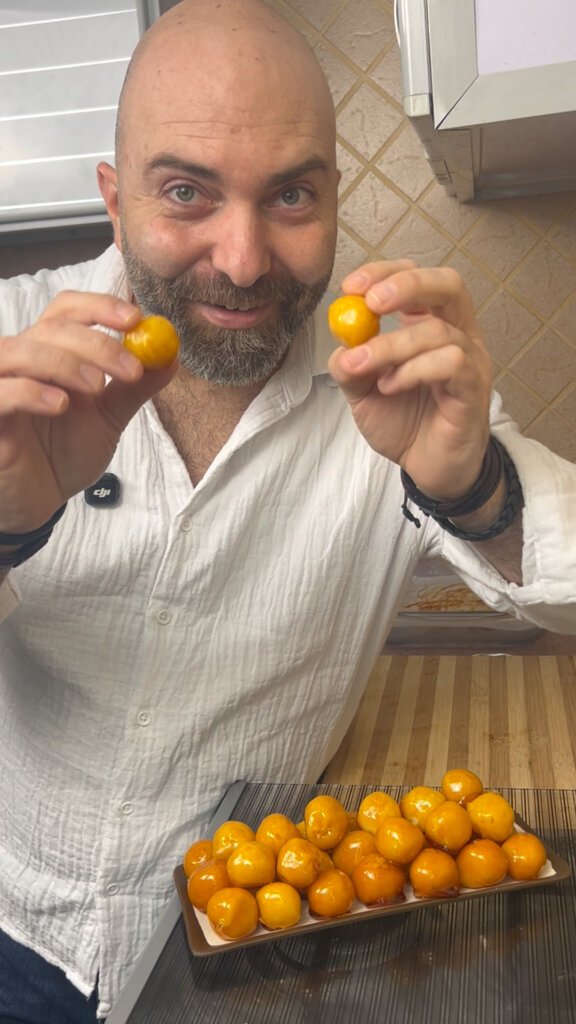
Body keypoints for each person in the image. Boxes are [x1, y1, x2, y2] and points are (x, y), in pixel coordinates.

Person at [0, 1, 574, 1020]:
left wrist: (473, 488)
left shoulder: (398, 379)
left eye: (291, 196)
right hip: (15, 922)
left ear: (335, 202)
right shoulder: (11, 341)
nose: (244, 258)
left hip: (250, 941)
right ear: (114, 199)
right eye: (186, 191)